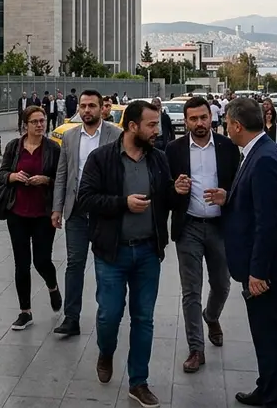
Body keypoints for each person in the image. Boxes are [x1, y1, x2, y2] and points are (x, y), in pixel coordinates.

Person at [78, 100, 188, 408]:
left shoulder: (159, 160)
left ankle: (138, 381)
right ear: (132, 127)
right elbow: (86, 199)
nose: (157, 130)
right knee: (109, 314)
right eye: (151, 125)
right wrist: (123, 203)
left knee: (144, 318)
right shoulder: (102, 159)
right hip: (111, 254)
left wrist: (176, 190)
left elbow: (166, 199)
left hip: (148, 252)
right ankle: (106, 351)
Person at [217, 97, 277, 408]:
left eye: (228, 124)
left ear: (237, 126)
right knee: (264, 333)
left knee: (269, 334)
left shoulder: (264, 157)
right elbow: (256, 203)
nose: (226, 128)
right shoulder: (259, 151)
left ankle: (276, 397)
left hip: (267, 269)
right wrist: (229, 196)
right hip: (265, 264)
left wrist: (258, 271)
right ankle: (267, 386)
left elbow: (268, 221)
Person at [167, 97, 242, 373]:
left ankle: (211, 316)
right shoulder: (173, 149)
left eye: (203, 117)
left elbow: (239, 186)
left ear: (212, 118)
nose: (199, 123)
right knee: (191, 291)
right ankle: (196, 349)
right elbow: (164, 188)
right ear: (185, 122)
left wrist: (227, 196)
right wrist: (175, 188)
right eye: (193, 119)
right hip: (188, 227)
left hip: (220, 227)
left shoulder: (227, 148)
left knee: (222, 283)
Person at [52, 90, 122, 337]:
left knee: (107, 264)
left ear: (102, 107)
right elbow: (63, 174)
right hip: (77, 211)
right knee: (74, 264)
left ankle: (109, 315)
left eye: (92, 105)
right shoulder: (70, 137)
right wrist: (57, 208)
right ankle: (71, 317)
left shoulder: (116, 135)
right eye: (83, 106)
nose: (86, 110)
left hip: (104, 211)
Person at [0, 106, 62, 331]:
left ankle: (53, 286)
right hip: (17, 213)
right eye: (34, 121)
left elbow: (60, 179)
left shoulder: (53, 148)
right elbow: (2, 172)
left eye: (42, 121)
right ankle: (25, 312)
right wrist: (13, 176)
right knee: (21, 264)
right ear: (25, 124)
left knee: (42, 260)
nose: (39, 125)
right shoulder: (14, 147)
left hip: (42, 214)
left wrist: (45, 180)